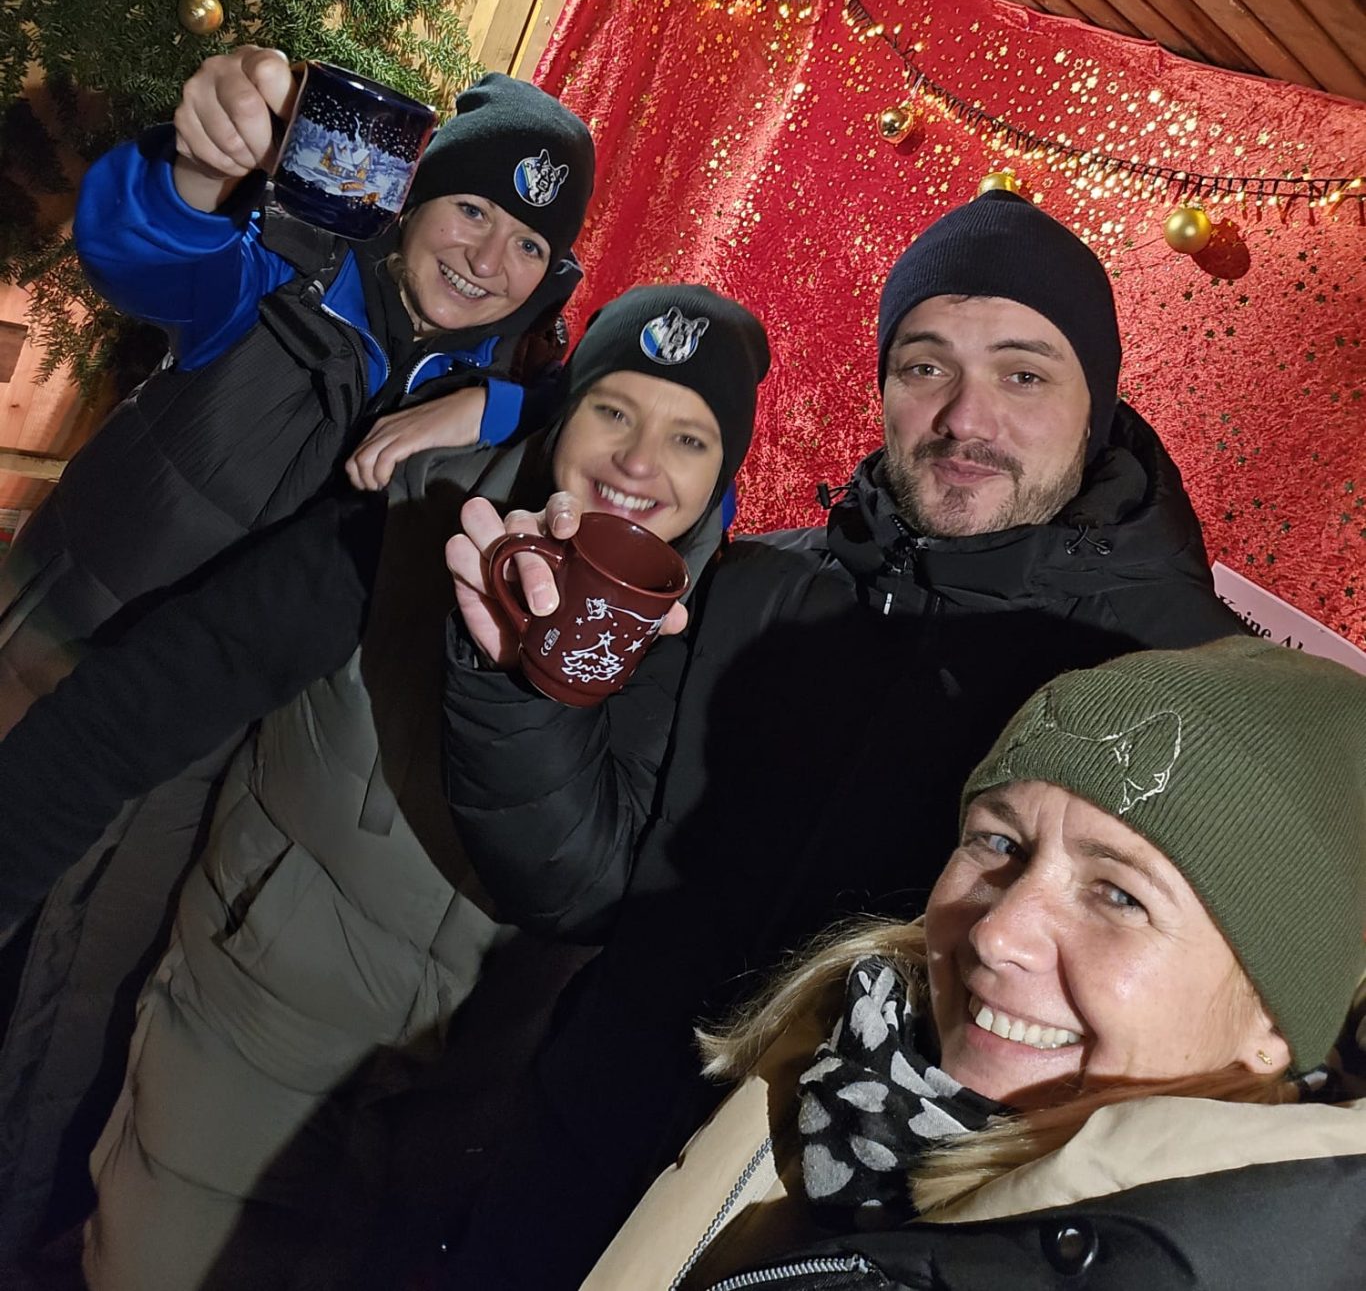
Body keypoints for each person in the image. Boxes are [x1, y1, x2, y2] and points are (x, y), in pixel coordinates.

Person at [439, 188, 1248, 1287]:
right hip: (573, 1166)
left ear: (1096, 403)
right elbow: (580, 888)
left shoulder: (1178, 685)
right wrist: (519, 688)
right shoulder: (756, 586)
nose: (964, 418)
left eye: (1022, 374)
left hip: (849, 1250)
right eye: (924, 366)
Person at [0, 284, 769, 1289]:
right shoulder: (402, 527)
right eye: (612, 410)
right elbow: (135, 707)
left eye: (689, 438)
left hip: (452, 1134)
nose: (636, 460)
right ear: (563, 412)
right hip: (242, 1059)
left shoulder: (714, 642)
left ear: (722, 476)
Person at [0, 49, 594, 1261]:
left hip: (202, 767)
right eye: (472, 209)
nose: (488, 257)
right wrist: (195, 170)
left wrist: (496, 409)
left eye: (529, 242)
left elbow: (676, 457)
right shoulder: (289, 271)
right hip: (54, 671)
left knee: (73, 1017)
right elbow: (145, 251)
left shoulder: (509, 404)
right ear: (413, 199)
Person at [586, 637, 1366, 1290]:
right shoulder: (845, 1064)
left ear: (1273, 1020)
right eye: (999, 842)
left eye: (1120, 895)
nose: (998, 933)